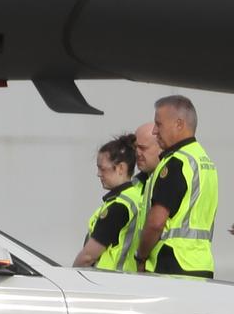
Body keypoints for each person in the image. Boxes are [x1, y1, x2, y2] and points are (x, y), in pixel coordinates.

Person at [135, 95, 218, 277]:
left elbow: (156, 222)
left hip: (172, 264)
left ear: (179, 124)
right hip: (201, 264)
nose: (155, 131)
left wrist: (140, 257)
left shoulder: (175, 163)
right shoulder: (203, 161)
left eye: (159, 124)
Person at [73, 134, 141, 272]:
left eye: (102, 168)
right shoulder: (137, 197)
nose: (98, 174)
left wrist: (71, 275)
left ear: (121, 168)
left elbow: (88, 256)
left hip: (108, 279)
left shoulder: (118, 207)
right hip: (126, 278)